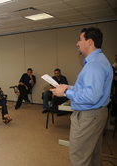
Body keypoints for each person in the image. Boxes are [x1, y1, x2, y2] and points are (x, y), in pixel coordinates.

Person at [50, 27, 113, 166]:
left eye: (80, 39)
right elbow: (92, 89)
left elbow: (91, 97)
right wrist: (69, 87)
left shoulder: (94, 65)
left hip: (88, 117)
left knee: (79, 158)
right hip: (97, 114)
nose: (77, 43)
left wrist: (65, 93)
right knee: (94, 155)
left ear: (89, 42)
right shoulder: (100, 60)